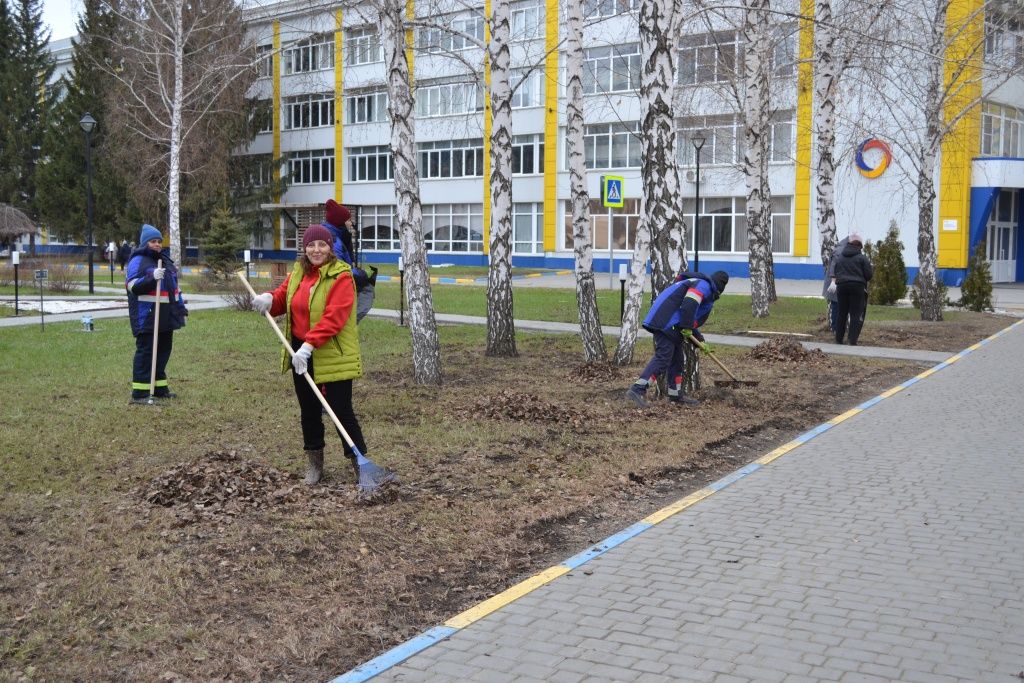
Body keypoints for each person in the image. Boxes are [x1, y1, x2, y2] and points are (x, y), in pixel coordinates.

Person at [251, 224, 397, 490]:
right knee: (308, 409)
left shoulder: (341, 275)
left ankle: (359, 463)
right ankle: (315, 465)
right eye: (311, 245)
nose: (316, 250)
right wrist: (269, 299)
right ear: (304, 248)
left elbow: (335, 317)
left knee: (340, 410)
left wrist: (308, 347)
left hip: (331, 352)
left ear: (330, 247)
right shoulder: (299, 271)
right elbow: (285, 297)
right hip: (299, 350)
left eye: (322, 245)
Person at [625, 270, 730, 409]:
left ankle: (675, 394)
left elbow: (689, 317)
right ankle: (637, 389)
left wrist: (700, 341)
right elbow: (689, 305)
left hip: (671, 321)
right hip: (666, 321)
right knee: (664, 357)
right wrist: (687, 327)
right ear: (719, 288)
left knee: (677, 360)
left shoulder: (701, 285)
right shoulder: (704, 285)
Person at [125, 224, 188, 403]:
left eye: (159, 241)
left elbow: (175, 290)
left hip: (166, 316)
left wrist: (181, 309)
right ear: (145, 243)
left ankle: (159, 388)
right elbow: (133, 286)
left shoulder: (166, 262)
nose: (157, 244)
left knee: (163, 352)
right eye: (153, 241)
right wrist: (152, 277)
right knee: (146, 353)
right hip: (147, 316)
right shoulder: (138, 261)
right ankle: (140, 393)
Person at [322, 199, 378, 322]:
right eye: (348, 220)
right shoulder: (334, 241)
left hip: (336, 286)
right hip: (334, 289)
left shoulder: (336, 236)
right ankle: (349, 322)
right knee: (367, 289)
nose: (350, 223)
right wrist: (362, 275)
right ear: (340, 222)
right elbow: (339, 269)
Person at [832, 232, 873, 345]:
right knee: (855, 313)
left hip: (841, 287)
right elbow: (869, 275)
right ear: (859, 246)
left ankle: (838, 339)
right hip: (857, 287)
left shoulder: (840, 257)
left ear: (849, 244)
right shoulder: (862, 258)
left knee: (842, 313)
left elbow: (836, 271)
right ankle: (852, 340)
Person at [822, 236, 849, 333]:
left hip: (837, 282)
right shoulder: (840, 251)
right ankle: (835, 328)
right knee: (836, 305)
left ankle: (837, 328)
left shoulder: (841, 249)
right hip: (835, 284)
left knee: (837, 306)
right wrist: (833, 282)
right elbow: (834, 268)